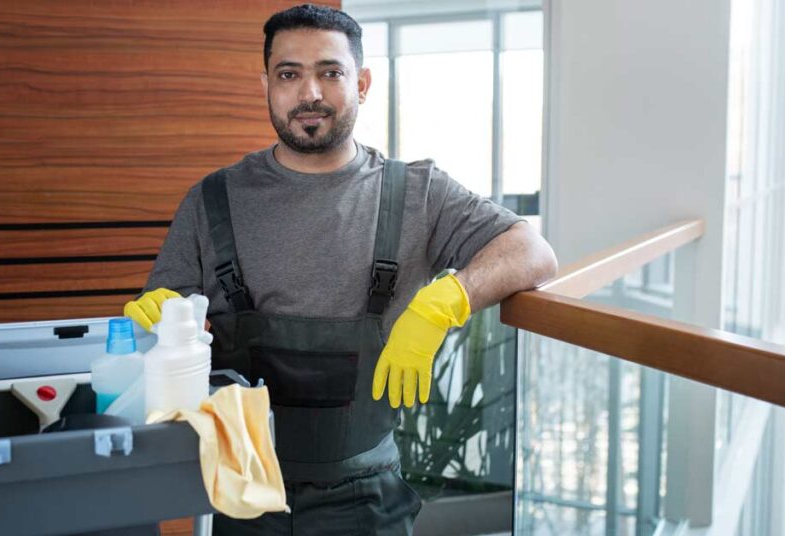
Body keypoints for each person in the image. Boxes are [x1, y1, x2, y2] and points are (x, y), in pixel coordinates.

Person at [124, 4, 557, 535]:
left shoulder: (417, 193)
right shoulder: (212, 200)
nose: (310, 93)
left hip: (369, 501)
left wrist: (445, 301)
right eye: (289, 74)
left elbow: (533, 251)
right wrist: (156, 326)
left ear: (363, 82)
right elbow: (159, 334)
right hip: (240, 489)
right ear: (266, 84)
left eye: (330, 72)